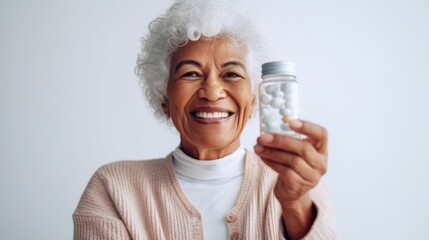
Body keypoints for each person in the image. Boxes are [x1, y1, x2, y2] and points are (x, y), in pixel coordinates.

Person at [73, 0, 336, 239]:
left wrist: (295, 205)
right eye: (190, 74)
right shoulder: (113, 189)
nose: (212, 92)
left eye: (231, 74)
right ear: (163, 97)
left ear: (254, 98)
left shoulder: (299, 182)